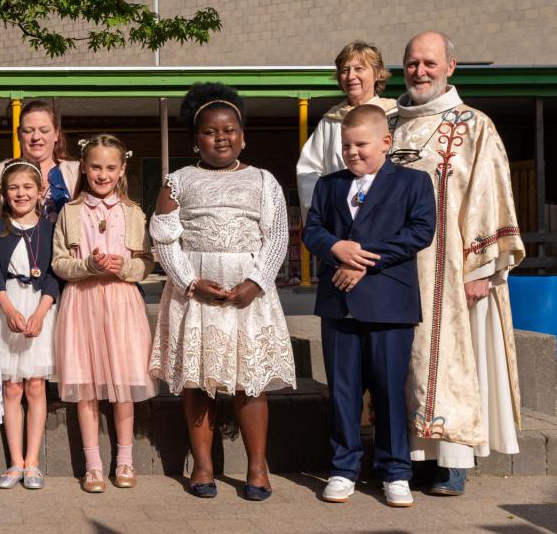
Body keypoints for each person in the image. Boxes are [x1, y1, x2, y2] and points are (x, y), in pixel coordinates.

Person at [392, 31, 525, 495]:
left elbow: (489, 194)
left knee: (448, 358)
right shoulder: (391, 122)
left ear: (451, 66)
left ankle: (452, 460)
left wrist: (483, 268)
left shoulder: (473, 124)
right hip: (395, 267)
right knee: (405, 359)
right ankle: (412, 457)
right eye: (412, 63)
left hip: (451, 267)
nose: (419, 72)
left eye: (429, 62)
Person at [148, 83, 295, 502]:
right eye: (211, 132)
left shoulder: (264, 180)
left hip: (248, 293)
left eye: (229, 130)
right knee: (198, 379)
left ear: (242, 135)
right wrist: (190, 282)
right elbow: (163, 236)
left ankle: (256, 467)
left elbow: (277, 237)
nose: (221, 138)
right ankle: (203, 464)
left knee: (250, 381)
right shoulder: (177, 182)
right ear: (196, 140)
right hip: (196, 294)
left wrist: (257, 281)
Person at [303, 105, 436, 507]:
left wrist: (359, 259)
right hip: (338, 305)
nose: (353, 152)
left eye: (361, 144)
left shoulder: (413, 182)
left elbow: (420, 231)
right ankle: (344, 467)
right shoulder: (328, 185)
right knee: (343, 390)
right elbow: (313, 230)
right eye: (346, 146)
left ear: (385, 141)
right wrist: (334, 247)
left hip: (389, 302)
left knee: (389, 390)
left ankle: (395, 471)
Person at [52, 134, 157, 494]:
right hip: (82, 303)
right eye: (95, 166)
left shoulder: (133, 212)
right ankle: (93, 465)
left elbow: (146, 263)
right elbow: (59, 263)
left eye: (110, 167)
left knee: (124, 383)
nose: (102, 174)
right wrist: (88, 265)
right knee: (86, 386)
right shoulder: (69, 212)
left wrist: (123, 265)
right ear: (84, 167)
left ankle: (124, 459)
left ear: (122, 169)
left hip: (121, 304)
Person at [0, 160, 60, 491]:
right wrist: (8, 309)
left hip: (38, 308)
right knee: (11, 387)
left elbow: (52, 275)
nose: (21, 193)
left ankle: (33, 462)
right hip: (6, 307)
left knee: (34, 385)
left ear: (40, 191)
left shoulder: (49, 228)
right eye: (14, 187)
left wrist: (40, 313)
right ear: (4, 192)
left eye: (27, 187)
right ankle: (14, 461)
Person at [296, 41, 397, 218]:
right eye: (344, 70)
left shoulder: (394, 116)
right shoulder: (330, 122)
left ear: (378, 73)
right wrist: (327, 211)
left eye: (359, 69)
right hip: (340, 217)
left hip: (387, 214)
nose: (351, 76)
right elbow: (308, 172)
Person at [0, 100, 81, 221]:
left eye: (44, 130)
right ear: (18, 135)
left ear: (56, 134)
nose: (36, 137)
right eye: (28, 131)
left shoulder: (76, 173)